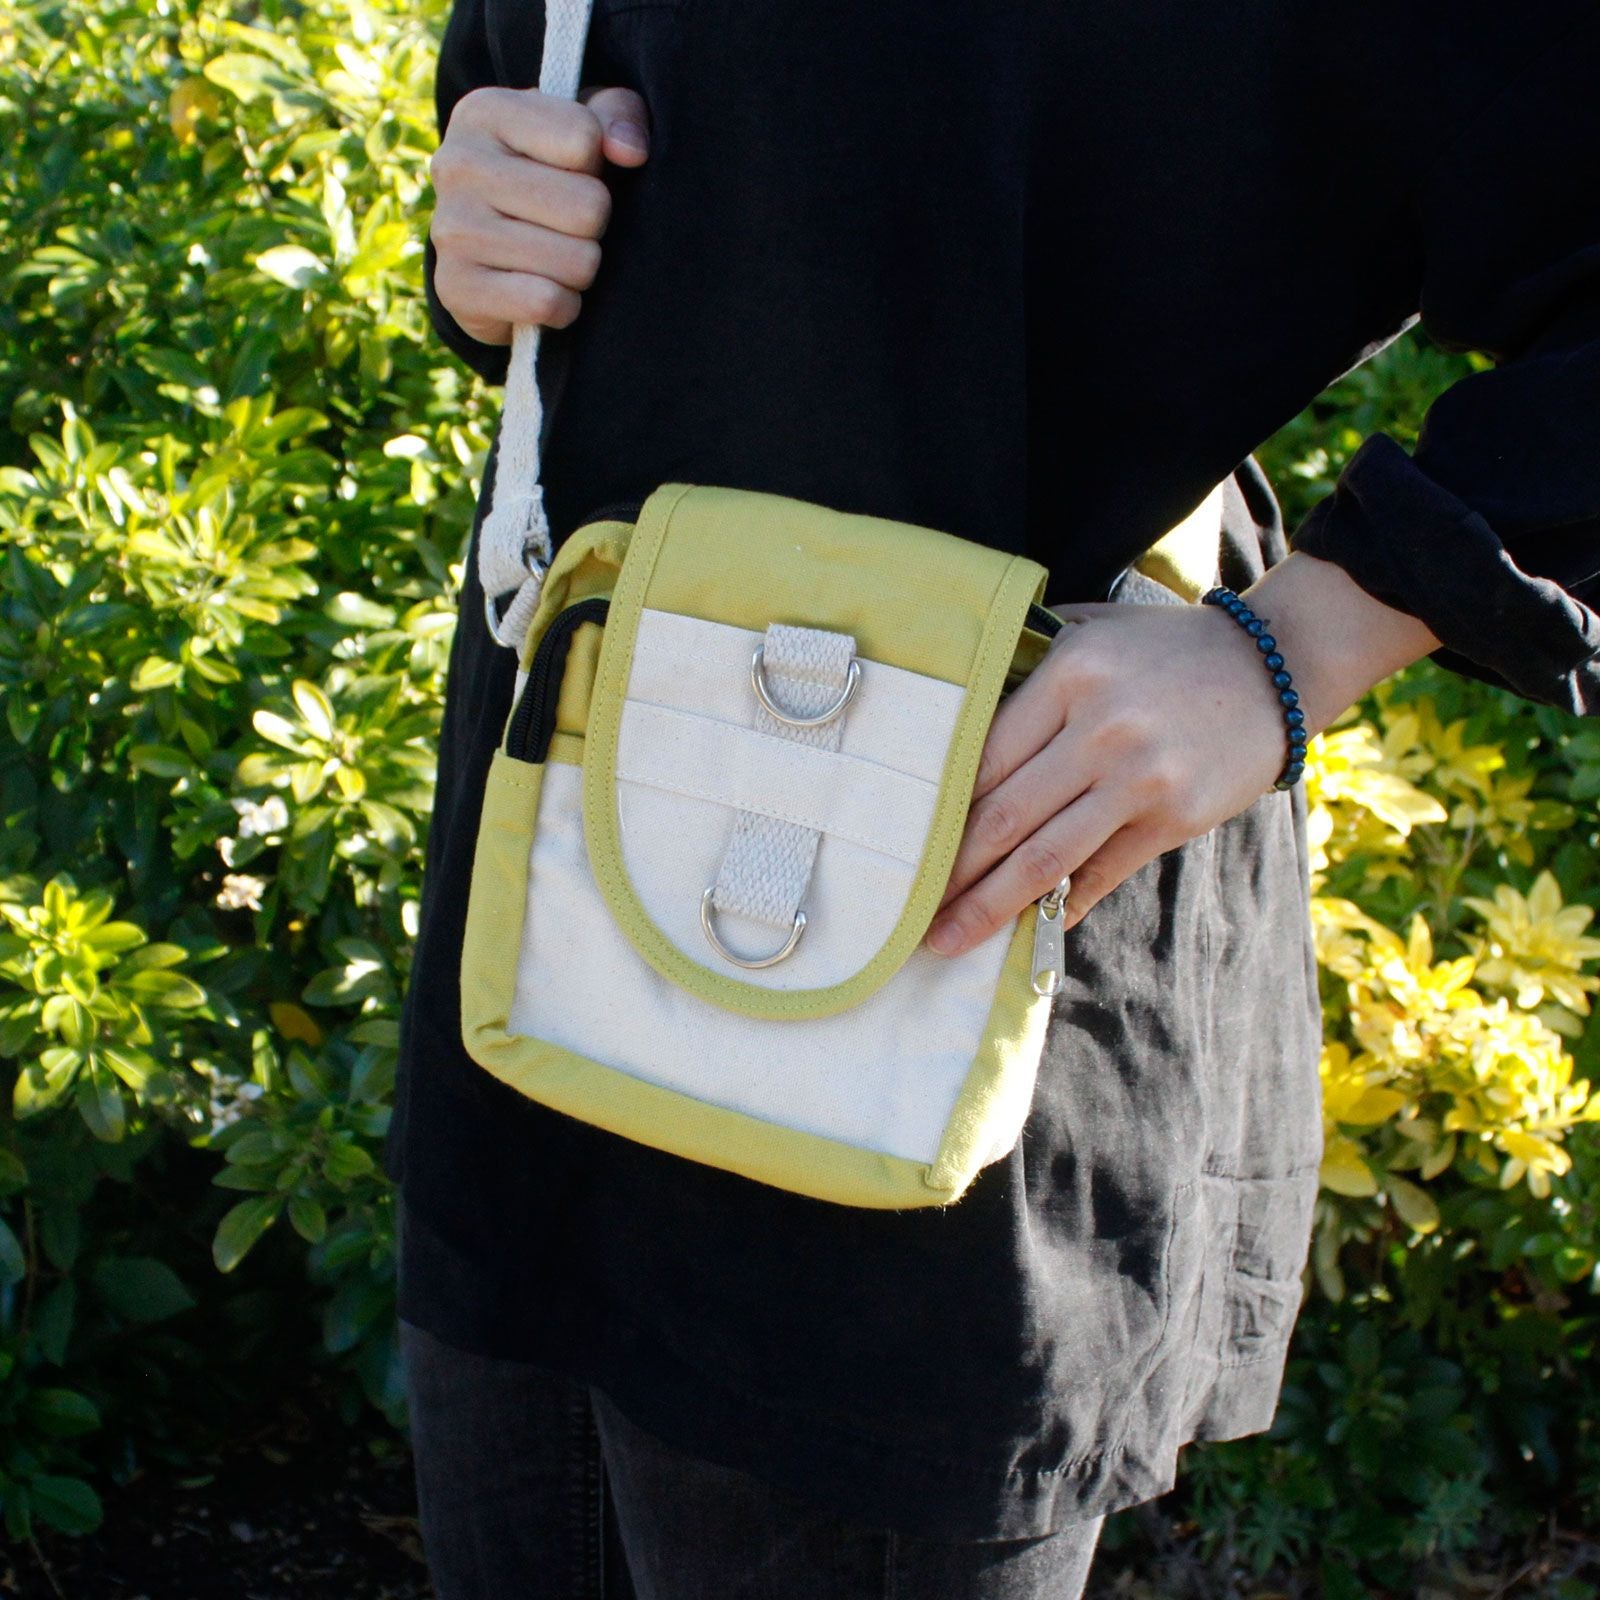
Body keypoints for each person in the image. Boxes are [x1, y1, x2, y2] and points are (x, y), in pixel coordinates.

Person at [388, 2, 1600, 1595]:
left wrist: (1292, 648)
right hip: (547, 940)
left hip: (951, 977)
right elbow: (558, 77)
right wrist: (490, 194)